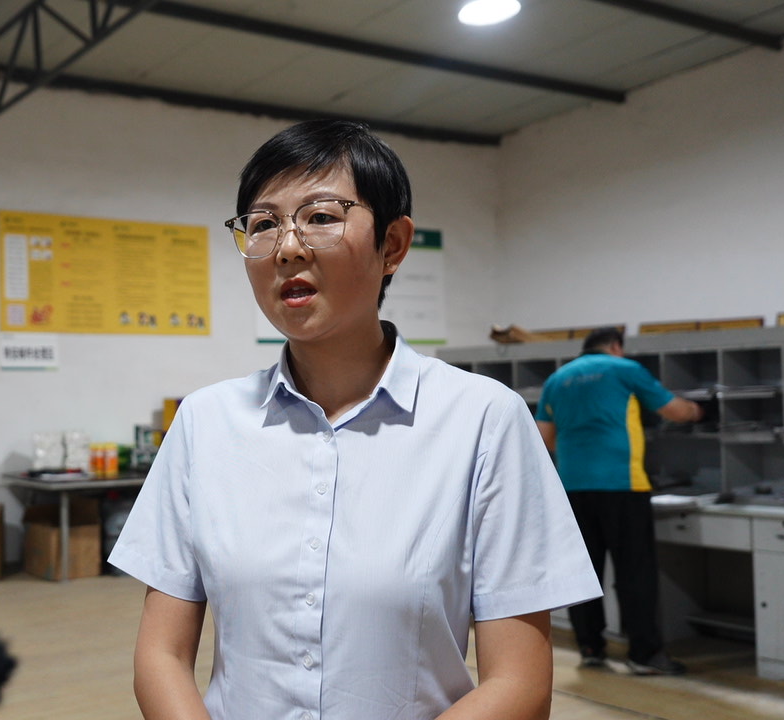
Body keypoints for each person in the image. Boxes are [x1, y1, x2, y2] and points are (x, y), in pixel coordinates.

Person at [108, 119, 601, 720]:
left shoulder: (483, 421)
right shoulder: (205, 423)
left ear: (392, 244)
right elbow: (160, 655)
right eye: (263, 224)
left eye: (321, 216)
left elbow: (520, 685)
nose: (288, 247)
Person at [534, 326, 704, 676]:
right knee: (634, 572)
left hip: (572, 488)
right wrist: (696, 411)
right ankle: (644, 655)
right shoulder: (624, 369)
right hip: (622, 484)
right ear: (615, 346)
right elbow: (673, 411)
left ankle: (591, 648)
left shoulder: (557, 379)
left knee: (583, 572)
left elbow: (545, 437)